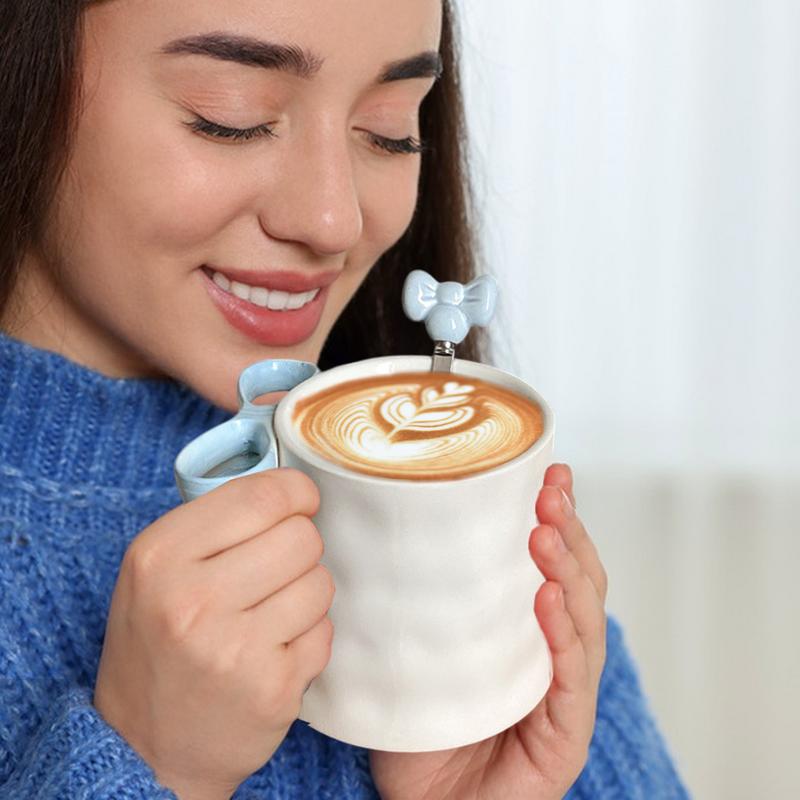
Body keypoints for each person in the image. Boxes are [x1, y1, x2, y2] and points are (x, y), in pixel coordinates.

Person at [0, 1, 689, 798]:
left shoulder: (464, 533)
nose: (334, 220)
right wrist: (148, 767)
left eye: (390, 130)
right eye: (232, 119)